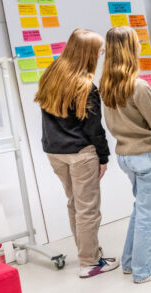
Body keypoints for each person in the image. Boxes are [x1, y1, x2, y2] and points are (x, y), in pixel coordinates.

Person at [34, 28, 114, 278]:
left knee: (75, 204)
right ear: (88, 53)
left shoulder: (52, 73)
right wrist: (103, 157)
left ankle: (90, 255)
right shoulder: (86, 86)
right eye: (99, 50)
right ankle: (89, 262)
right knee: (88, 208)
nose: (101, 53)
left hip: (54, 151)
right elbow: (93, 128)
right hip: (81, 153)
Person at [100, 26, 151, 284]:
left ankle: (131, 262)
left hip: (125, 155)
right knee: (150, 214)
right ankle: (145, 270)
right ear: (130, 49)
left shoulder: (107, 84)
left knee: (140, 209)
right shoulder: (139, 86)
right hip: (146, 155)